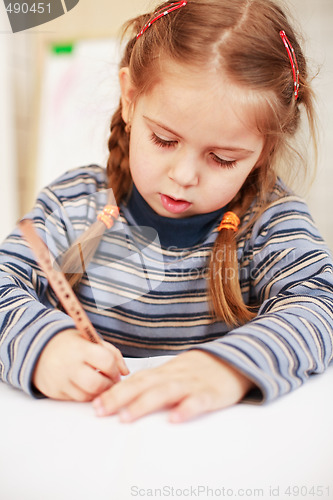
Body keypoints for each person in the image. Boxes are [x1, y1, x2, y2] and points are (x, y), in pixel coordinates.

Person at [0, 0, 332, 424]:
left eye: (223, 158)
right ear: (130, 98)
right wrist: (43, 347)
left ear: (263, 152)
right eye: (164, 140)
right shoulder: (73, 205)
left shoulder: (269, 223)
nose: (184, 176)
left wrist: (229, 366)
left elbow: (319, 305)